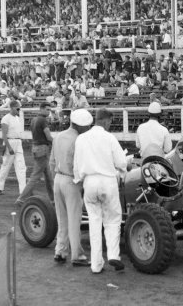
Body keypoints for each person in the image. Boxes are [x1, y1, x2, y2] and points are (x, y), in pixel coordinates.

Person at [73, 108, 128, 274]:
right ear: (104, 120)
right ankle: (113, 255)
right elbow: (121, 162)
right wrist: (122, 169)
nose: (110, 125)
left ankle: (96, 264)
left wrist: (79, 180)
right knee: (112, 220)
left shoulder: (81, 139)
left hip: (89, 182)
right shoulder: (109, 138)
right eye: (110, 122)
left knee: (94, 223)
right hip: (107, 181)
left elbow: (77, 166)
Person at [49, 109, 93, 266]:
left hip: (58, 179)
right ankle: (77, 255)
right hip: (71, 182)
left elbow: (51, 162)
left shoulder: (59, 136)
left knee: (62, 219)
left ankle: (60, 251)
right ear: (80, 126)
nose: (88, 129)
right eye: (86, 126)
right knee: (74, 220)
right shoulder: (79, 140)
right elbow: (81, 165)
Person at [15, 102, 54, 206]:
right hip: (42, 150)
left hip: (36, 148)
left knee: (48, 176)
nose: (48, 111)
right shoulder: (43, 120)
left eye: (49, 110)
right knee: (35, 176)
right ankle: (22, 198)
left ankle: (53, 199)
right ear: (41, 109)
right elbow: (48, 137)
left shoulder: (34, 120)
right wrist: (56, 143)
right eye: (47, 109)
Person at [0, 100, 27, 195]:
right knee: (6, 165)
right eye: (18, 108)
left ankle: (23, 191)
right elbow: (4, 135)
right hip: (10, 142)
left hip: (18, 142)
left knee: (21, 167)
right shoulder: (6, 119)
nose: (19, 110)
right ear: (12, 108)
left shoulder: (17, 118)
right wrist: (9, 147)